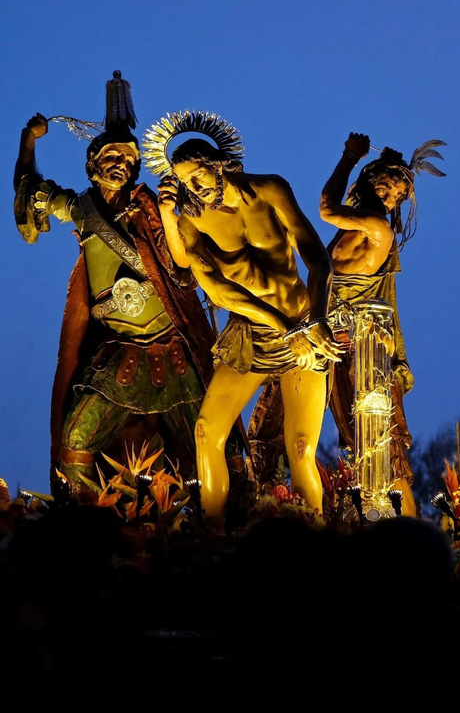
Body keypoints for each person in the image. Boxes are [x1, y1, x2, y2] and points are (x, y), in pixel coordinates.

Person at [12, 73, 244, 502]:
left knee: (225, 446)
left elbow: (190, 255)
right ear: (92, 163)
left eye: (127, 157)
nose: (120, 162)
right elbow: (28, 198)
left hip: (174, 353)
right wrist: (29, 143)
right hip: (116, 355)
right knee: (76, 441)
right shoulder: (81, 209)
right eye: (111, 155)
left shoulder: (156, 210)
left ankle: (227, 526)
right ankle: (92, 527)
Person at [148, 112, 341, 523]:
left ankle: (317, 537)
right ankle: (211, 537)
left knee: (303, 446)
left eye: (197, 176)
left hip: (304, 325)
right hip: (252, 333)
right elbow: (213, 287)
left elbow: (317, 256)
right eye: (184, 183)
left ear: (219, 165)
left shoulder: (270, 189)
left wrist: (317, 319)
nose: (193, 188)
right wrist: (282, 326)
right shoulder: (192, 216)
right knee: (206, 432)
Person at [316, 132, 445, 516]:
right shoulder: (355, 229)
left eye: (395, 197)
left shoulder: (376, 226)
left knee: (380, 446)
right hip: (337, 342)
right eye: (385, 188)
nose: (388, 199)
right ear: (367, 184)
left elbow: (325, 207)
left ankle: (408, 526)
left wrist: (348, 156)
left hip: (361, 347)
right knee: (364, 446)